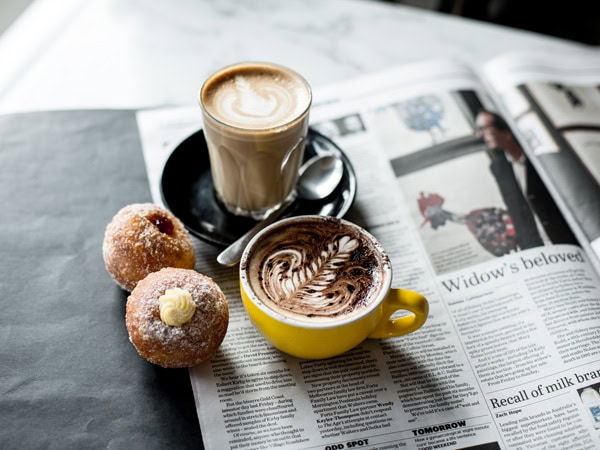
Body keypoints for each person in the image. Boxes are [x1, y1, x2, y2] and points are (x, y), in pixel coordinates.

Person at [475, 109, 544, 250]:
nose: (479, 135)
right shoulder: (499, 168)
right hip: (535, 248)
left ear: (506, 131)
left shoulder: (539, 156)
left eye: (484, 128)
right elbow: (516, 211)